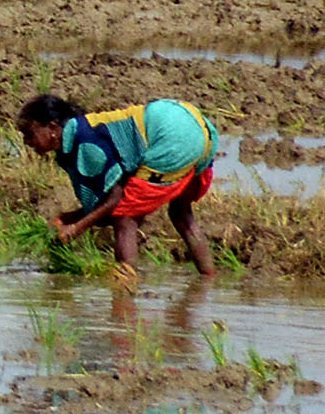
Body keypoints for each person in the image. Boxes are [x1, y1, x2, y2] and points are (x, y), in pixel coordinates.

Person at [19, 92, 218, 277]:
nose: (27, 141)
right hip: (195, 123)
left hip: (173, 135)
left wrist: (76, 227)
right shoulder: (81, 133)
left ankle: (125, 292)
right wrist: (68, 219)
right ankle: (208, 279)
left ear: (53, 128)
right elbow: (107, 200)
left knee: (125, 218)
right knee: (181, 213)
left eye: (29, 133)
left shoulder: (86, 143)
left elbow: (113, 200)